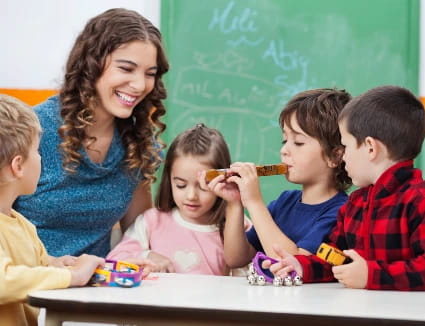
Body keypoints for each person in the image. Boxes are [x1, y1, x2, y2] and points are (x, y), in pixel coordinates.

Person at [268, 85, 425, 291]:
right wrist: (301, 266)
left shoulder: (423, 202)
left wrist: (371, 275)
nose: (343, 156)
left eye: (346, 146)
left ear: (370, 148)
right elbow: (336, 259)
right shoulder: (356, 203)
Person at [14, 8, 170, 257]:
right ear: (92, 65)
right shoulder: (32, 129)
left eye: (149, 74)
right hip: (27, 288)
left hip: (95, 290)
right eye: (127, 69)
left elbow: (137, 234)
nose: (140, 85)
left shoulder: (137, 140)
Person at [204, 88, 353, 268]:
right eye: (285, 141)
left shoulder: (341, 212)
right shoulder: (285, 202)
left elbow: (294, 264)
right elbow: (236, 259)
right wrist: (235, 203)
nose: (284, 150)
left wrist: (254, 203)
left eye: (298, 142)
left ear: (334, 156)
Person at [0, 94, 106, 326]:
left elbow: (31, 266)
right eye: (37, 151)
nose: (41, 158)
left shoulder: (21, 224)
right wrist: (73, 276)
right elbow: (4, 280)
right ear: (18, 166)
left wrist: (56, 264)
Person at [108, 124, 248, 275]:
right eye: (181, 185)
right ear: (169, 181)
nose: (191, 196)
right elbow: (113, 261)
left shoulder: (237, 225)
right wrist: (147, 255)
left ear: (222, 181)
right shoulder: (151, 222)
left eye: (202, 186)